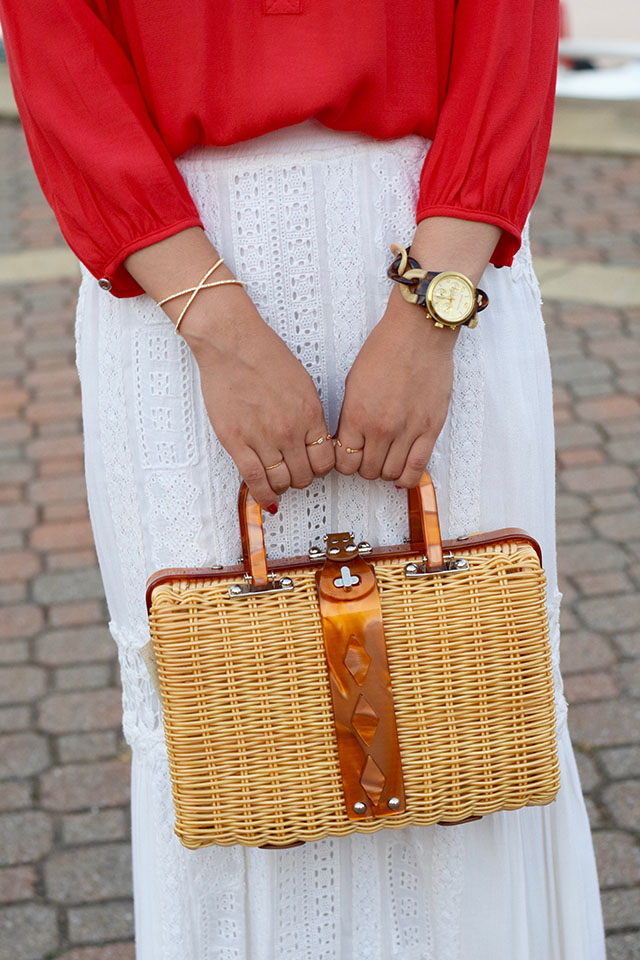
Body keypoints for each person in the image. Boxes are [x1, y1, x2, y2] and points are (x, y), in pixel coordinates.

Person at [0, 1, 606, 957]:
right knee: (228, 728)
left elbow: (510, 28)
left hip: (434, 246)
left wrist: (430, 314)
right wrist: (223, 336)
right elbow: (58, 49)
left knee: (470, 697)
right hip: (176, 279)